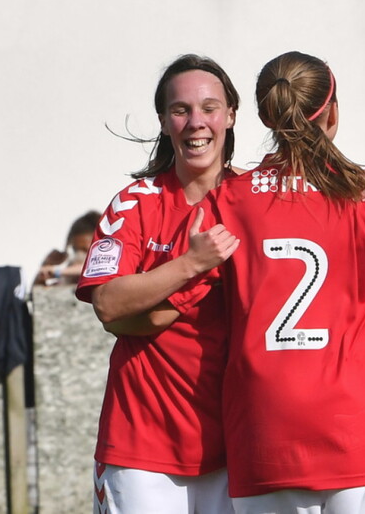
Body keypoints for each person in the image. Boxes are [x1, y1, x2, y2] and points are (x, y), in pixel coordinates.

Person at [169, 50, 365, 514]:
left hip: (263, 434)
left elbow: (174, 304)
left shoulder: (225, 201)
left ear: (265, 116)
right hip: (357, 434)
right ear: (332, 112)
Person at [75, 54, 242, 514]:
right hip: (140, 448)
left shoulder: (255, 202)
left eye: (209, 108)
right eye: (180, 110)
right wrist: (193, 265)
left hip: (236, 447)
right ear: (164, 122)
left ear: (230, 115)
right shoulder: (134, 202)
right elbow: (109, 305)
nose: (195, 122)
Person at [34, 210, 101, 286]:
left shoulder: (105, 276)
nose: (79, 256)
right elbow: (37, 291)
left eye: (85, 250)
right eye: (76, 250)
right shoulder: (66, 278)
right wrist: (45, 267)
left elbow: (89, 269)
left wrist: (57, 271)